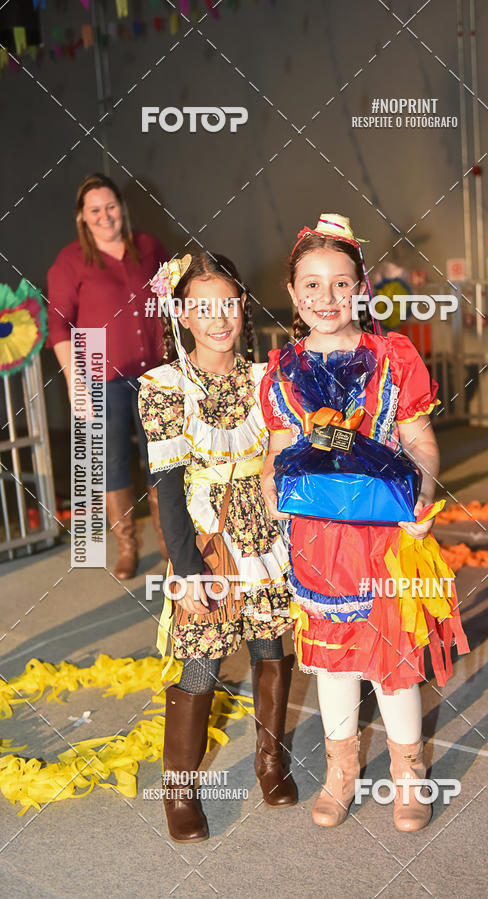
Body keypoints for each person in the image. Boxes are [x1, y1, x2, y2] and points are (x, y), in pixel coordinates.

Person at [260, 214, 470, 833]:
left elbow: (418, 440)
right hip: (319, 543)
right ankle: (341, 771)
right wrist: (275, 494)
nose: (328, 298)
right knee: (331, 662)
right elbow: (278, 452)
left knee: (393, 660)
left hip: (384, 540)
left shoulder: (394, 357)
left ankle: (410, 774)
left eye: (341, 283)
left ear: (362, 288)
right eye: (313, 285)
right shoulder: (279, 373)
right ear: (295, 295)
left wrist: (421, 498)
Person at [138, 252, 297, 843]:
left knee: (269, 645)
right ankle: (178, 791)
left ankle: (270, 762)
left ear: (243, 306)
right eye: (202, 307)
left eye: (228, 302)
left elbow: (281, 461)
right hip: (205, 536)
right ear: (181, 314)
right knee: (202, 661)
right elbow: (168, 488)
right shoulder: (164, 386)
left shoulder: (266, 379)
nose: (219, 317)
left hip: (265, 532)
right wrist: (186, 566)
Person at [47, 172, 168, 579]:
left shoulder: (150, 247)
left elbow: (171, 299)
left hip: (155, 375)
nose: (104, 215)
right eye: (94, 209)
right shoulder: (69, 261)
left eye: (110, 206)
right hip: (99, 376)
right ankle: (128, 547)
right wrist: (73, 381)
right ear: (82, 217)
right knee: (112, 462)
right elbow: (59, 326)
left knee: (161, 459)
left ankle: (171, 543)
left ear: (123, 208)